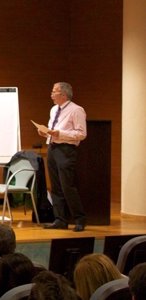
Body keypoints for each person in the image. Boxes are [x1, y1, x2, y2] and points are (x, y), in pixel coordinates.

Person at [38, 82, 87, 232]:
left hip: (66, 150)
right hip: (52, 148)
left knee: (67, 186)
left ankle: (79, 219)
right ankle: (60, 219)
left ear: (63, 95)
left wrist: (60, 134)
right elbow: (53, 130)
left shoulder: (76, 110)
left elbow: (81, 134)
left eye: (54, 92)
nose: (51, 94)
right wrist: (45, 132)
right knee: (55, 187)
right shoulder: (54, 109)